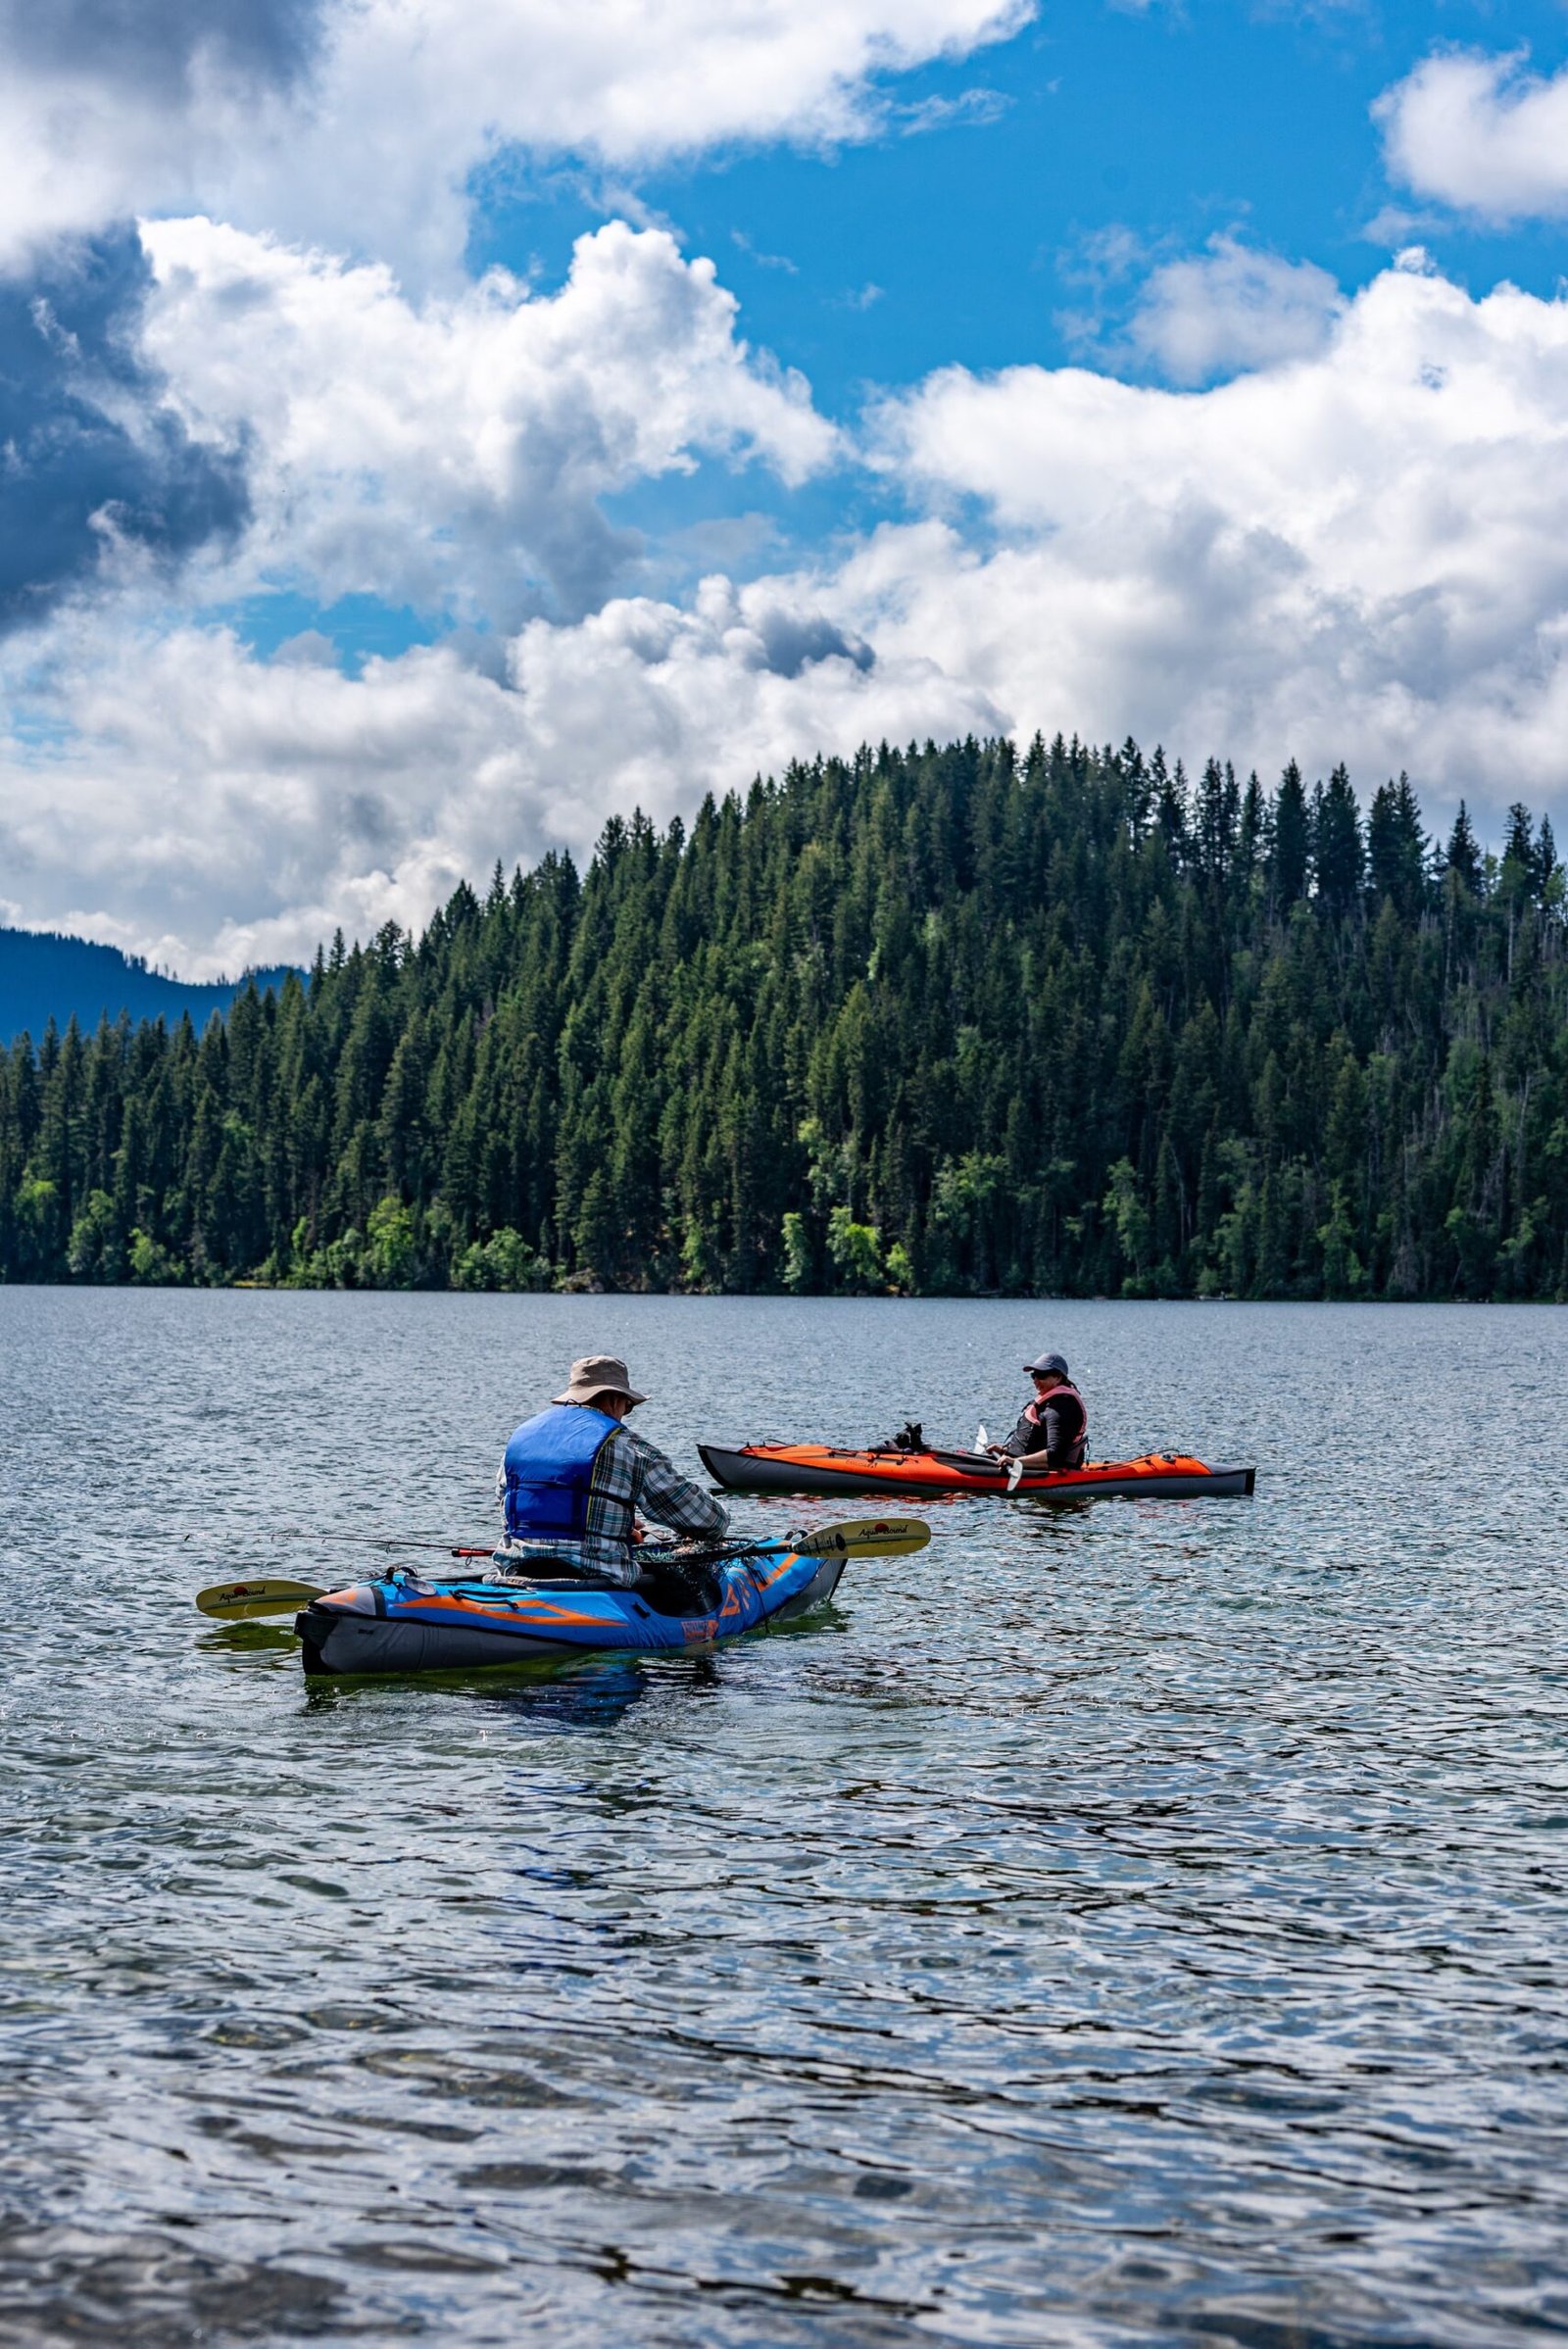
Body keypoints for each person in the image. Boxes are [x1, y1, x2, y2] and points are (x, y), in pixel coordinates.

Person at [495, 1353, 729, 1587]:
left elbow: (512, 1505)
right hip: (595, 1579)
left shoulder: (519, 1439)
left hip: (516, 1573)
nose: (624, 1414)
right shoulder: (629, 1449)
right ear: (615, 1399)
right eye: (628, 1407)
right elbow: (709, 1521)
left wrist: (611, 1520)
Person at [989, 1351, 1088, 1470]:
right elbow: (1037, 1442)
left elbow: (1055, 1454)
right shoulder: (1049, 1402)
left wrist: (1015, 1461)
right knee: (961, 1457)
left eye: (1041, 1375)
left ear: (1058, 1377)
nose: (1035, 1380)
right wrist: (1004, 1450)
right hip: (1016, 1464)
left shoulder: (1060, 1409)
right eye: (1033, 1375)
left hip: (1036, 1471)